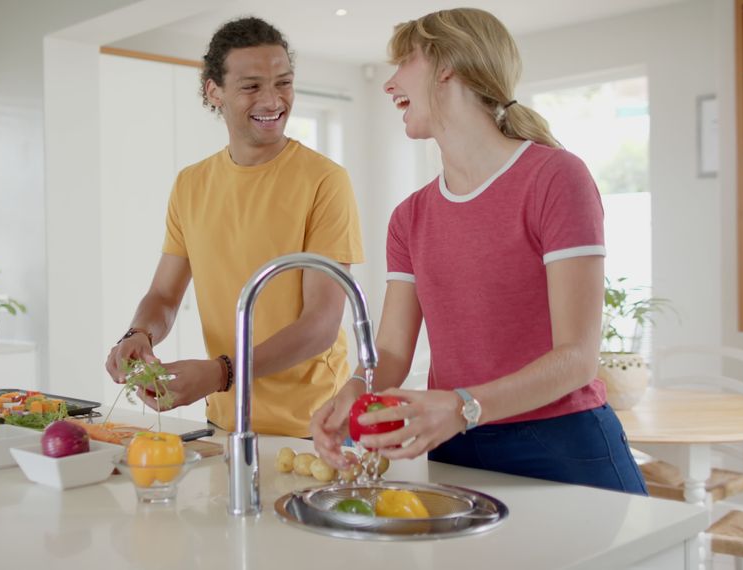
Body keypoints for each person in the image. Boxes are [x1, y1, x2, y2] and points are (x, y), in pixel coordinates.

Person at [311, 8, 646, 494]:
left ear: (447, 66)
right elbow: (391, 350)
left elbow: (577, 358)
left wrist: (462, 405)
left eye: (404, 61)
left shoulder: (555, 178)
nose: (389, 84)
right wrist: (354, 390)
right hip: (457, 447)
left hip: (560, 443)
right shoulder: (410, 216)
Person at [104, 17, 364, 438]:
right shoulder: (191, 184)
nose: (273, 100)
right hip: (225, 421)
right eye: (251, 86)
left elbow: (320, 325)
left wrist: (220, 373)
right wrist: (139, 335)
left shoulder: (324, 181)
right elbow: (164, 295)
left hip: (314, 426)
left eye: (283, 82)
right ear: (214, 91)